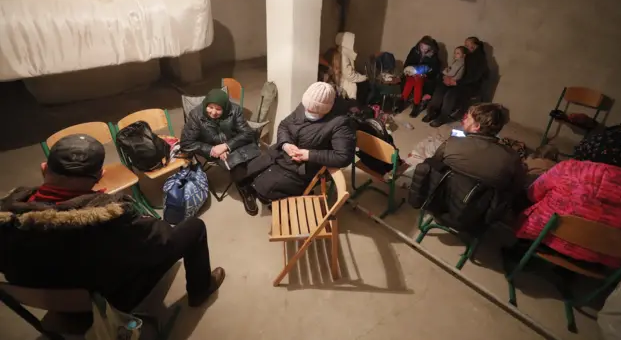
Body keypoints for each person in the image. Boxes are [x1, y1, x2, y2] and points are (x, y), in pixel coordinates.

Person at [0, 135, 224, 312]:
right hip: (110, 299)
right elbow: (162, 239)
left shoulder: (7, 216)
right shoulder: (112, 219)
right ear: (101, 175)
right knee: (194, 228)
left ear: (43, 168)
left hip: (45, 297)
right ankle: (200, 291)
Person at [511, 126, 621, 270]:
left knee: (519, 195)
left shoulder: (568, 168)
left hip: (544, 238)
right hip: (599, 258)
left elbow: (533, 194)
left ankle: (519, 250)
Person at [409, 103, 524, 229]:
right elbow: (516, 188)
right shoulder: (511, 158)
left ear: (477, 126)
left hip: (437, 204)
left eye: (468, 118)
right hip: (475, 219)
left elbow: (434, 164)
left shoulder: (451, 143)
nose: (463, 120)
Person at [239, 82, 356, 202]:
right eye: (306, 106)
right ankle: (254, 187)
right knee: (252, 168)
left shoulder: (341, 123)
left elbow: (343, 157)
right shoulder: (305, 106)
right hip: (285, 152)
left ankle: (264, 194)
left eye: (313, 110)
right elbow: (284, 125)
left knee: (266, 187)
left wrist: (308, 155)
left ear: (326, 109)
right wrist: (286, 144)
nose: (307, 110)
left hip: (305, 166)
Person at [180, 88, 262, 216]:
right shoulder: (196, 115)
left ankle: (256, 184)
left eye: (218, 109)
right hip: (211, 148)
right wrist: (212, 149)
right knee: (237, 165)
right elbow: (186, 143)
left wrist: (226, 146)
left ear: (225, 107)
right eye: (210, 107)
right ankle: (245, 190)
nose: (213, 112)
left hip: (232, 143)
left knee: (257, 159)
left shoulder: (235, 110)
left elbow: (247, 133)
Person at [423, 37, 488, 127]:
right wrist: (446, 77)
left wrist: (456, 82)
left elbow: (473, 78)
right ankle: (432, 111)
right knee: (440, 88)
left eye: (468, 44)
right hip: (458, 81)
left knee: (451, 94)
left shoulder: (479, 59)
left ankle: (443, 116)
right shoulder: (466, 56)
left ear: (474, 45)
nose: (466, 46)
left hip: (469, 85)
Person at [397, 36, 441, 118]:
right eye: (422, 47)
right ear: (420, 45)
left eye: (426, 48)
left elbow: (435, 69)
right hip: (412, 72)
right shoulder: (415, 50)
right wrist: (410, 71)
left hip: (424, 75)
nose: (423, 50)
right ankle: (402, 102)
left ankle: (416, 105)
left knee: (418, 82)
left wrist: (425, 74)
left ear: (430, 47)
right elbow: (408, 62)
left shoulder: (433, 55)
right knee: (410, 82)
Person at [334, 32, 369, 103]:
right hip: (346, 87)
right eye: (352, 42)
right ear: (347, 42)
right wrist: (365, 77)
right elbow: (350, 75)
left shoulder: (343, 53)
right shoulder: (343, 56)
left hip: (345, 84)